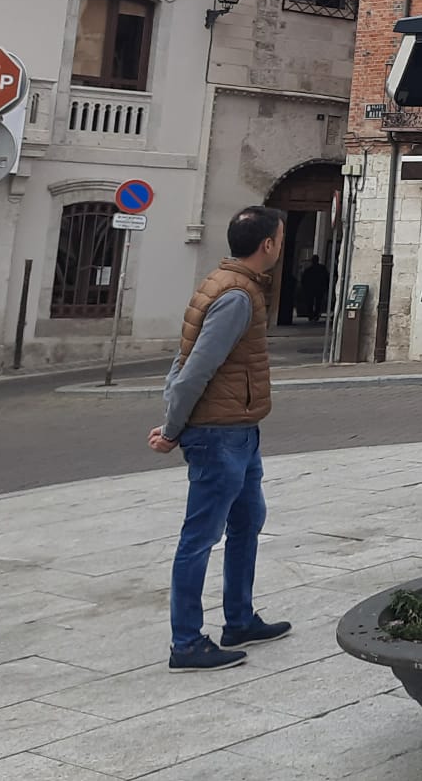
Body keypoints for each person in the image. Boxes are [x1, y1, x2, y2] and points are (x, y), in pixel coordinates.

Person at [148, 205, 293, 671]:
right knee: (200, 536)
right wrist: (172, 428)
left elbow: (184, 357)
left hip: (239, 429)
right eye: (281, 239)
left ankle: (240, 618)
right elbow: (196, 368)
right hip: (218, 434)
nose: (281, 246)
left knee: (248, 520)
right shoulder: (237, 297)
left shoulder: (229, 284)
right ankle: (186, 642)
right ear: (267, 244)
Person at [298, 254, 330, 325]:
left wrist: (304, 288)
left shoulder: (309, 270)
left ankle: (311, 315)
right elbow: (327, 278)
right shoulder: (322, 269)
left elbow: (303, 280)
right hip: (318, 288)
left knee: (311, 302)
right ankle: (315, 315)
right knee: (317, 303)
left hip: (312, 289)